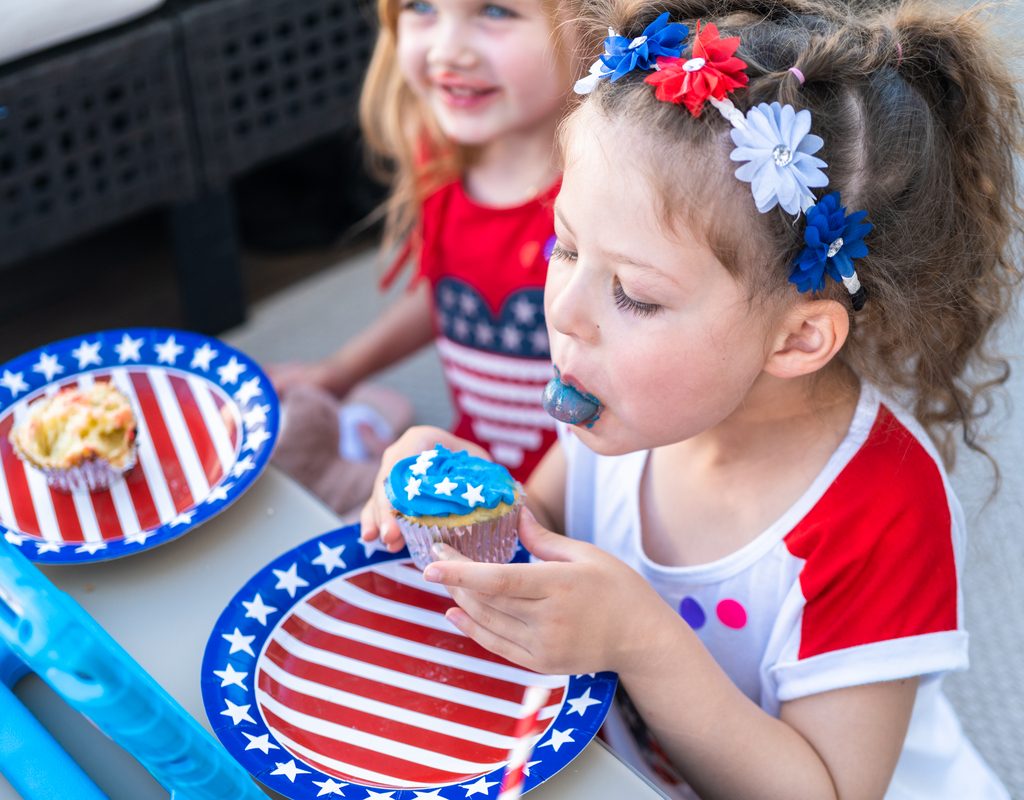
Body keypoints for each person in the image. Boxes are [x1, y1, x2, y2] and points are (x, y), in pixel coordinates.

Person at [360, 0, 1021, 796]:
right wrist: (472, 506)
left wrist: (641, 639)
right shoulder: (627, 403)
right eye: (565, 246)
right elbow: (541, 544)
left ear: (797, 339)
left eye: (634, 295)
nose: (564, 312)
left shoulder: (881, 508)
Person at [268, 0, 581, 514]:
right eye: (421, 6)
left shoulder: (598, 201)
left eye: (496, 11)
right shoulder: (445, 164)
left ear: (593, 22)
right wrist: (338, 372)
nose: (447, 50)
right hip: (471, 472)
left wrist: (536, 512)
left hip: (578, 506)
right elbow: (450, 295)